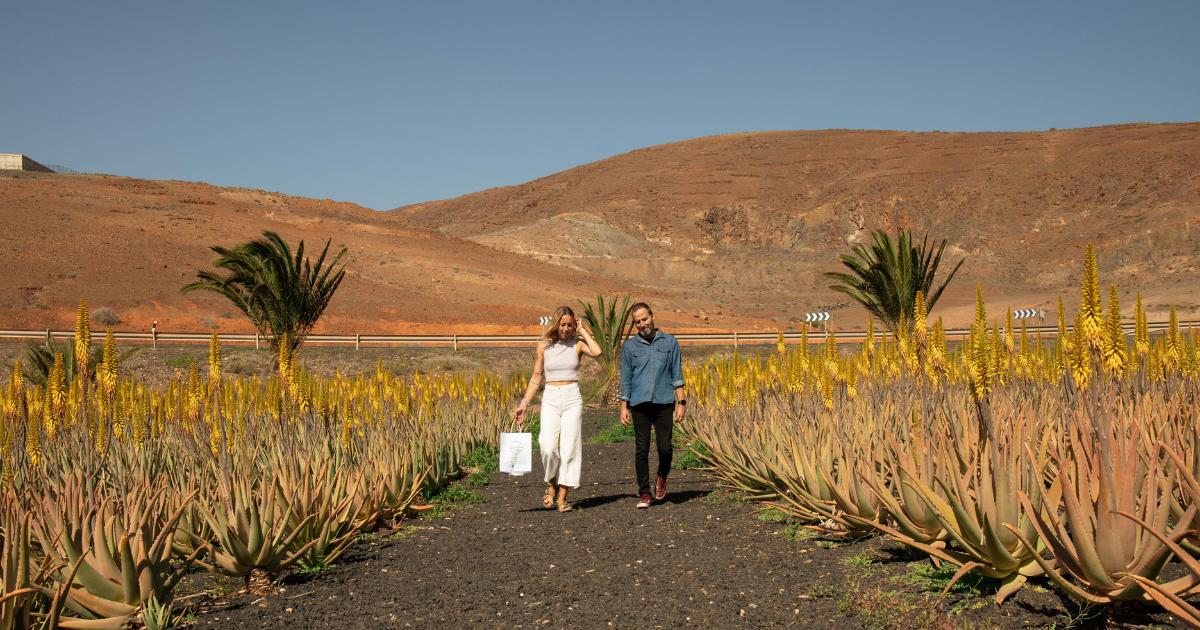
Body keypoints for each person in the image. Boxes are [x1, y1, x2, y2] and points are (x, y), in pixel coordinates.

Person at [514, 306, 602, 512]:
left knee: (570, 448)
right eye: (563, 324)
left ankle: (562, 498)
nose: (566, 328)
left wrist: (584, 331)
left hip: (572, 397)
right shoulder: (544, 346)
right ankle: (552, 482)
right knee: (547, 445)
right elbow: (537, 377)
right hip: (551, 397)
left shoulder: (578, 345)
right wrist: (524, 404)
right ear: (556, 324)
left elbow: (597, 352)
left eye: (570, 325)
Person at [618, 302, 686, 509]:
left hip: (664, 401)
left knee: (665, 449)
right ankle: (645, 493)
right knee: (642, 449)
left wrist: (681, 402)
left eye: (644, 319)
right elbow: (626, 378)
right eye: (637, 322)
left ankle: (661, 477)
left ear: (652, 316)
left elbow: (677, 375)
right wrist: (623, 406)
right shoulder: (629, 347)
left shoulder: (670, 342)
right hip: (639, 403)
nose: (641, 324)